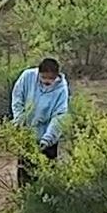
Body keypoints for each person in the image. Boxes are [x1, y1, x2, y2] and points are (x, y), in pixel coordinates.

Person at [11, 57, 69, 187]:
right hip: (27, 133)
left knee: (46, 174)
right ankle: (25, 198)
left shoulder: (62, 89)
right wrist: (19, 119)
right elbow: (17, 98)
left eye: (50, 79)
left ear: (56, 76)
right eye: (44, 78)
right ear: (38, 73)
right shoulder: (27, 77)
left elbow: (59, 116)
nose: (46, 81)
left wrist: (48, 139)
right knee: (25, 173)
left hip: (48, 135)